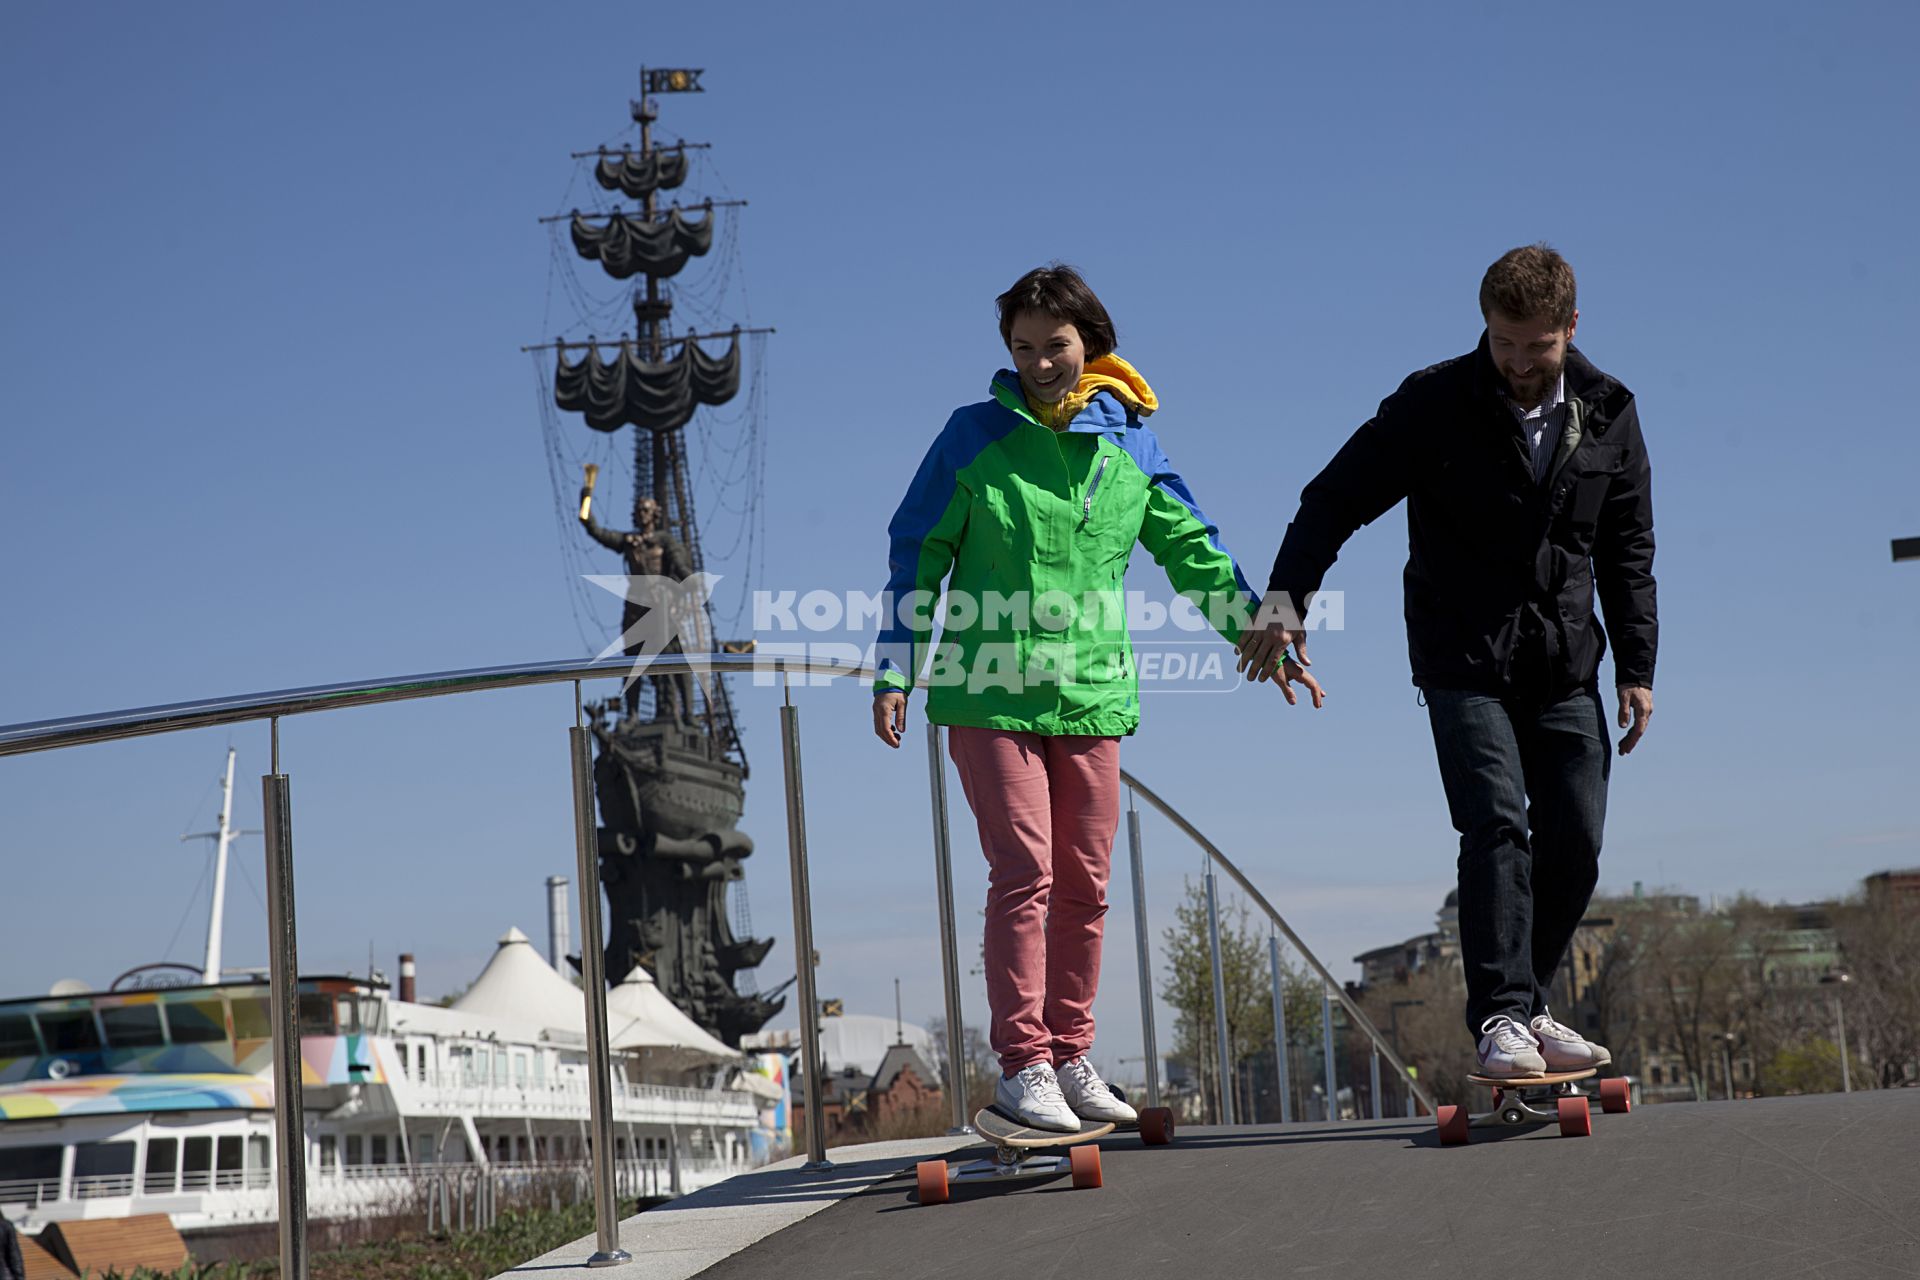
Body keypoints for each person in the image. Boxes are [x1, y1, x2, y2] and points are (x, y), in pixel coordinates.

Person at [872, 265, 1321, 1130]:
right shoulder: (972, 437)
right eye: (1024, 348)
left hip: (1093, 693)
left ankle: (1073, 1058)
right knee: (1026, 870)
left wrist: (1262, 635)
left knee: (1085, 880)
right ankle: (1023, 1066)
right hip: (987, 694)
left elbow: (1193, 548)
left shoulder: (1132, 446)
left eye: (1058, 346)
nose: (1042, 362)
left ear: (1093, 346)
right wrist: (896, 666)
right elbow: (917, 553)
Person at [1238, 244, 1656, 1078]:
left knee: (1576, 838)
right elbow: (1335, 497)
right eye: (1503, 344)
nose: (1518, 365)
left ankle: (1528, 1005)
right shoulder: (1435, 402)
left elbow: (1628, 546)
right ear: (1485, 327)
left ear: (1570, 329)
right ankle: (1502, 1015)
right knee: (1496, 821)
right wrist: (1285, 603)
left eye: (1536, 348)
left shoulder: (1610, 411)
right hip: (1461, 654)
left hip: (1565, 659)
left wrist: (1637, 666)